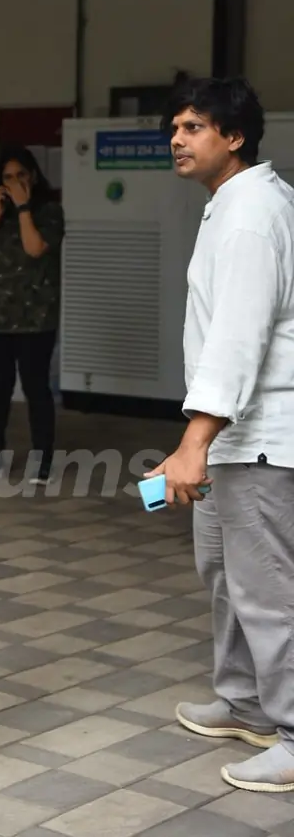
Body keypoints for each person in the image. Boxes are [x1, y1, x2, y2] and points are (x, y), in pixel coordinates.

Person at [147, 76, 294, 794]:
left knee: (267, 590)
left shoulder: (249, 216)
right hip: (233, 437)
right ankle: (245, 702)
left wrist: (192, 444)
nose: (177, 139)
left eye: (194, 127)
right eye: (175, 127)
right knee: (225, 573)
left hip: (259, 436)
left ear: (234, 137)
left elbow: (239, 339)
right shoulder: (232, 203)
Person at [0, 144, 64, 485]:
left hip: (36, 318)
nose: (14, 182)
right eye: (7, 177)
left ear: (33, 176)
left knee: (36, 388)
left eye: (21, 175)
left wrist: (23, 208)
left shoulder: (49, 211)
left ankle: (43, 458)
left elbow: (34, 248)